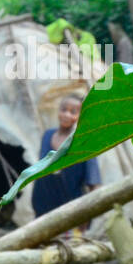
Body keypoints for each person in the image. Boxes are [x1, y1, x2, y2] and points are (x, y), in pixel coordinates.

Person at [31, 93, 102, 224]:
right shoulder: (47, 136)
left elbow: (93, 182)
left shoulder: (83, 143)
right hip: (43, 208)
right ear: (58, 111)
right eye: (64, 110)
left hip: (70, 213)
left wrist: (86, 214)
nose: (67, 115)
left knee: (68, 244)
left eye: (73, 112)